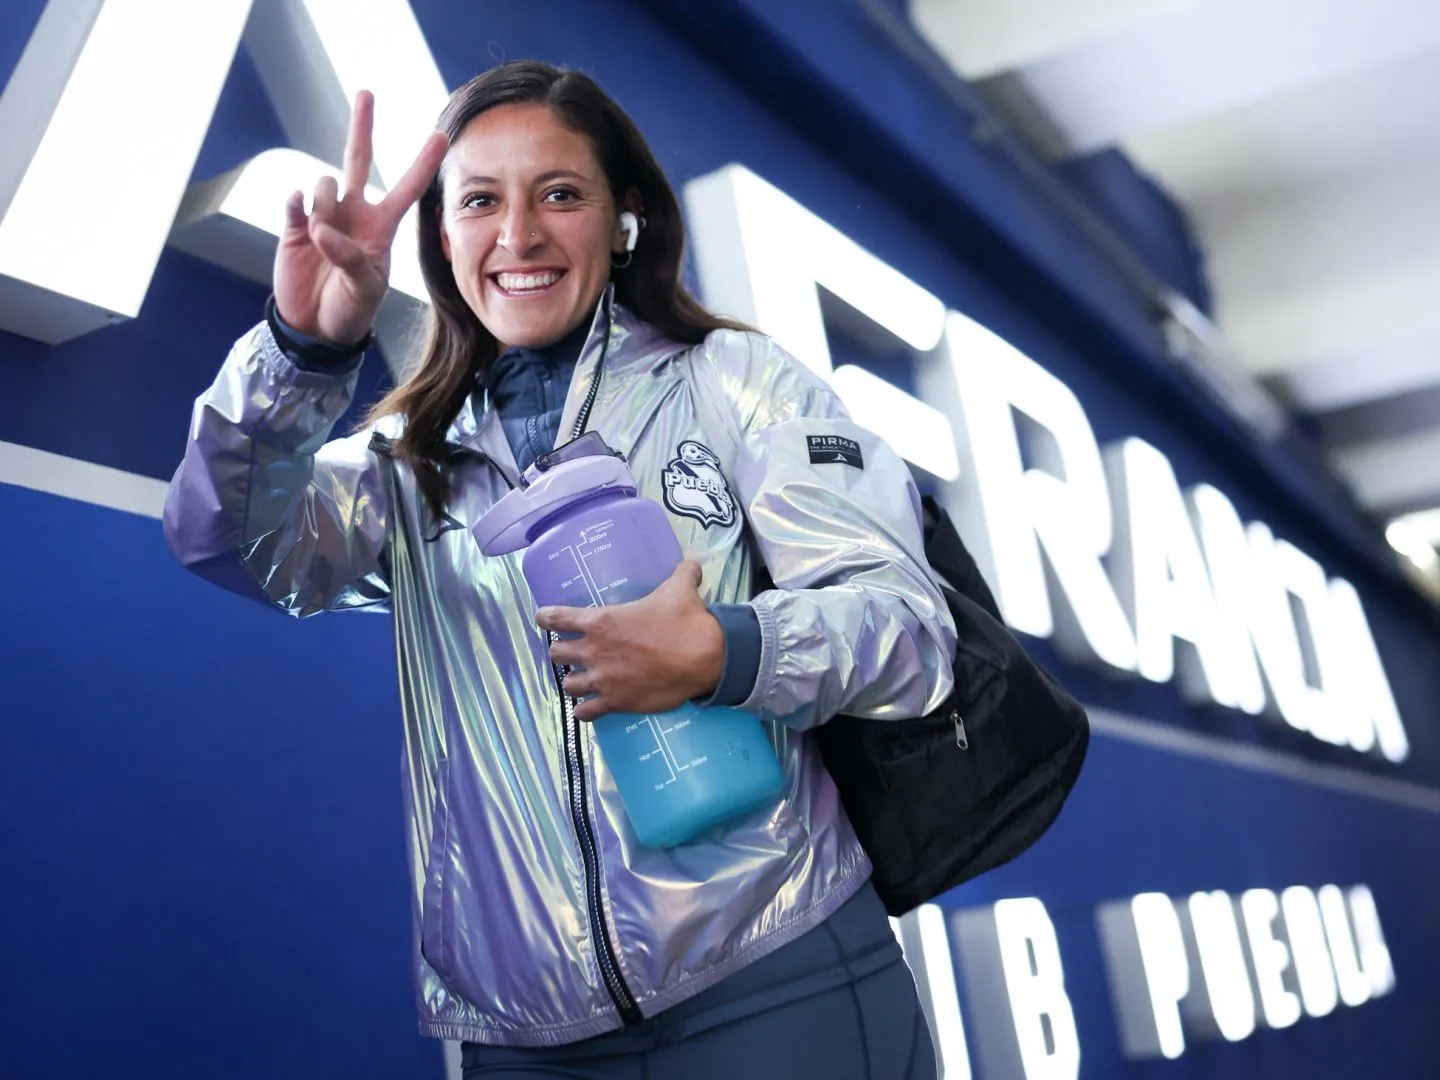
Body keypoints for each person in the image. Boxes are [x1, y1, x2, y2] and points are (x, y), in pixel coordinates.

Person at [165, 60, 955, 1078]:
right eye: (481, 201)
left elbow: (908, 633)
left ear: (624, 218)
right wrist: (301, 352)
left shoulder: (733, 384)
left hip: (774, 973)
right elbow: (227, 541)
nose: (519, 235)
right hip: (524, 1039)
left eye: (560, 194)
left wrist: (727, 650)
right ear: (444, 240)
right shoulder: (411, 459)